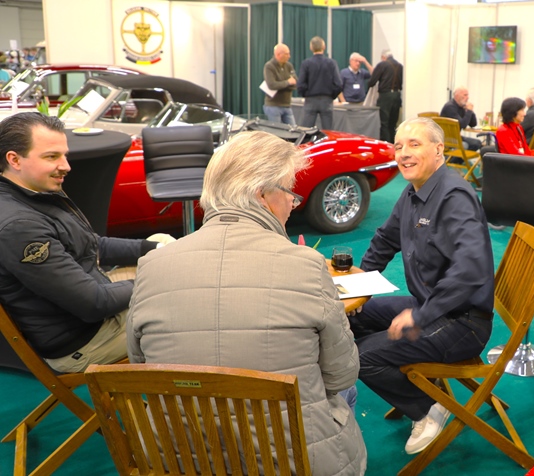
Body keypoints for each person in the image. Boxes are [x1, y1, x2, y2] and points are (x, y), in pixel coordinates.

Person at [127, 131, 366, 475]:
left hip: (181, 459)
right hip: (287, 462)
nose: (292, 203)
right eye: (289, 191)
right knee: (347, 392)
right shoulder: (306, 265)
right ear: (262, 194)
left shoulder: (152, 265)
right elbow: (341, 373)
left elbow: (140, 366)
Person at [350, 117, 494, 455]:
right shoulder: (414, 191)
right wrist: (360, 287)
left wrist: (419, 317)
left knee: (359, 357)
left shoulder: (454, 196)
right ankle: (412, 383)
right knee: (348, 317)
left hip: (462, 322)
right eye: (398, 146)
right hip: (428, 305)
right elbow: (385, 239)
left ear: (438, 149)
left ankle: (428, 407)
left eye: (414, 144)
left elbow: (471, 268)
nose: (403, 153)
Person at [0, 112, 160, 373]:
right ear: (14, 159)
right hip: (88, 341)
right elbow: (93, 304)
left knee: (162, 242)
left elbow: (91, 245)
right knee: (188, 311)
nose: (66, 166)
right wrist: (157, 278)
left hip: (96, 309)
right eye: (52, 156)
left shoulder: (34, 193)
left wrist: (154, 250)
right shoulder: (19, 225)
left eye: (64, 155)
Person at [297, 36, 343, 129]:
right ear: (324, 47)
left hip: (310, 100)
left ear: (311, 48)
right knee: (328, 131)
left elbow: (300, 84)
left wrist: (306, 94)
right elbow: (338, 84)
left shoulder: (306, 63)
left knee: (305, 131)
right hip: (327, 100)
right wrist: (332, 96)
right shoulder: (331, 63)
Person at [368, 49, 403, 143]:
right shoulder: (400, 66)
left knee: (384, 124)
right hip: (397, 96)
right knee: (393, 124)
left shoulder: (382, 65)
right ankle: (394, 144)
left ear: (383, 57)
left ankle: (386, 145)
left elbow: (372, 82)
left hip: (385, 97)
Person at [262, 43, 298, 125]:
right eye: (286, 54)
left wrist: (281, 84)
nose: (289, 56)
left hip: (287, 106)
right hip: (273, 106)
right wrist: (288, 82)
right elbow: (272, 85)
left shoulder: (289, 66)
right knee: (276, 131)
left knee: (293, 129)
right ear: (278, 54)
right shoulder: (269, 66)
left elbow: (295, 83)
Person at [440, 87, 480, 151]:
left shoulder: (461, 106)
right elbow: (462, 125)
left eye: (467, 95)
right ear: (457, 96)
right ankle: (452, 157)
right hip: (448, 139)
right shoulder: (450, 107)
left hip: (456, 137)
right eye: (465, 95)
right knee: (465, 145)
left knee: (477, 143)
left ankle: (461, 157)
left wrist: (470, 111)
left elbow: (473, 124)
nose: (468, 97)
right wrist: (469, 111)